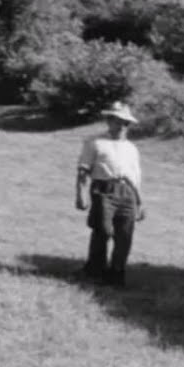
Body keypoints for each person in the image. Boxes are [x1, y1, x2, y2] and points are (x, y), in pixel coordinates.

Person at [75, 102, 144, 287]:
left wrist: (140, 202)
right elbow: (83, 170)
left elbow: (136, 177)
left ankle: (116, 274)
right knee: (103, 231)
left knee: (125, 235)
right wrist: (80, 194)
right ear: (109, 120)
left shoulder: (132, 148)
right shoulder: (95, 142)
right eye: (118, 121)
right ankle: (94, 270)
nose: (122, 126)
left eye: (126, 122)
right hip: (104, 190)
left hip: (128, 193)